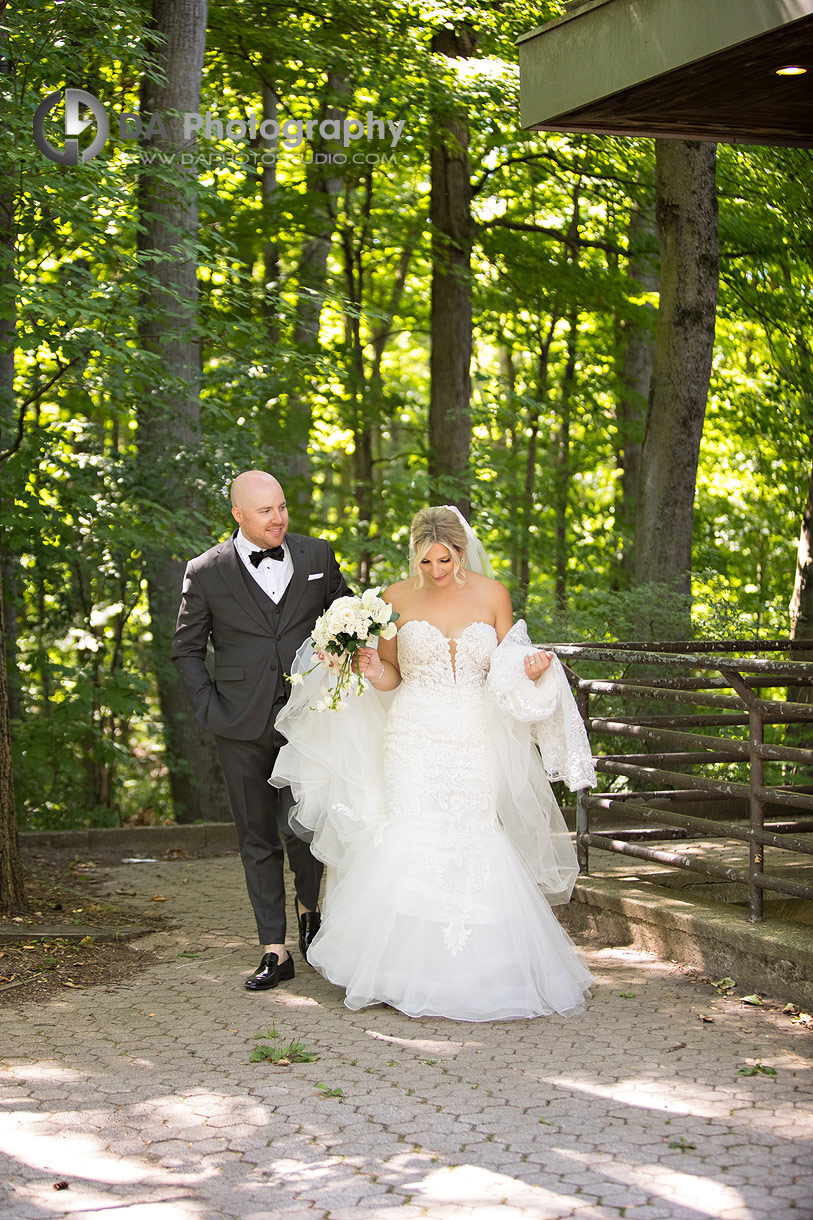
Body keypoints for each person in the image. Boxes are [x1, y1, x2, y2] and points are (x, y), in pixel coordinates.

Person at [271, 506, 596, 1022]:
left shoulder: (493, 595)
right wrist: (374, 667)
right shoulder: (394, 600)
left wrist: (533, 670)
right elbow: (392, 676)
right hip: (413, 734)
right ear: (414, 554)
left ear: (461, 551)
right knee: (411, 836)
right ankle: (400, 973)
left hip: (473, 734)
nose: (436, 570)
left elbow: (507, 669)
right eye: (426, 561)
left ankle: (484, 970)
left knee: (473, 836)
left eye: (444, 559)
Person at [171, 470, 351, 991]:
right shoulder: (205, 571)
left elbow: (348, 612)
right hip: (238, 722)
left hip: (309, 717)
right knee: (257, 838)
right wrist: (209, 708)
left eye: (282, 507)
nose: (278, 519)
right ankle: (275, 949)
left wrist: (341, 651)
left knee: (307, 827)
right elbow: (185, 649)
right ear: (238, 515)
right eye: (266, 511)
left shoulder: (317, 557)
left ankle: (312, 916)